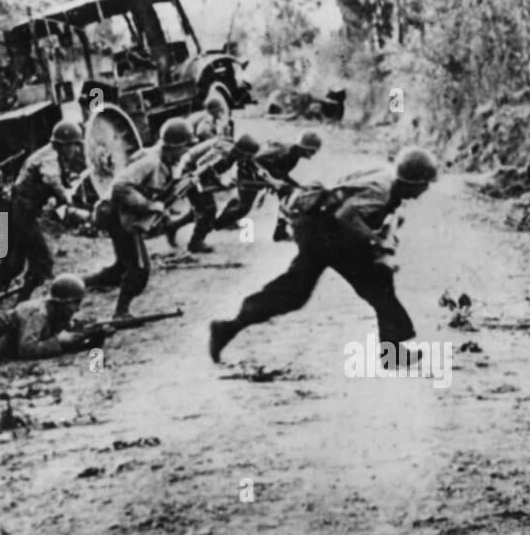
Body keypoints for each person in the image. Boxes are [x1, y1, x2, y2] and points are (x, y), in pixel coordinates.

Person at [207, 147, 438, 365]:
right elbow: (346, 216)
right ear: (412, 181)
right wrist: (375, 244)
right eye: (424, 184)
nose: (425, 190)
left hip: (323, 228)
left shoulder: (387, 181)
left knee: (368, 281)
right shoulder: (381, 190)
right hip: (322, 231)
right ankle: (227, 328)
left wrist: (380, 242)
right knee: (305, 290)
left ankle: (393, 350)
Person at [84, 117, 194, 317]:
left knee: (121, 267)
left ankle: (81, 283)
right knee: (139, 270)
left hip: (121, 215)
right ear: (174, 146)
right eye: (185, 147)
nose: (187, 152)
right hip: (119, 216)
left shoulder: (165, 160)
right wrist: (148, 205)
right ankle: (120, 313)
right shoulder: (150, 162)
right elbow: (120, 187)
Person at [0, 121, 84, 302]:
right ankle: (20, 304)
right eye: (74, 145)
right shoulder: (50, 157)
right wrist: (66, 197)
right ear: (64, 144)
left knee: (13, 264)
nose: (76, 150)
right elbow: (51, 179)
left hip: (15, 210)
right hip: (21, 212)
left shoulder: (49, 154)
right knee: (42, 262)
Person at [215, 130, 322, 236]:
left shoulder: (293, 155)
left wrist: (297, 186)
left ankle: (280, 232)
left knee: (286, 196)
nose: (313, 154)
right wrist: (268, 178)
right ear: (303, 148)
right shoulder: (284, 151)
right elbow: (255, 158)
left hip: (259, 176)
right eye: (312, 151)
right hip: (248, 173)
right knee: (243, 207)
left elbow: (281, 173)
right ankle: (216, 224)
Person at [174, 133, 260, 255]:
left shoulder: (232, 150)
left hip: (196, 174)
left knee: (202, 208)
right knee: (207, 209)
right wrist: (218, 181)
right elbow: (202, 165)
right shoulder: (224, 151)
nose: (247, 159)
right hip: (189, 174)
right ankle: (195, 243)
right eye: (247, 156)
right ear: (241, 151)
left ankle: (173, 228)